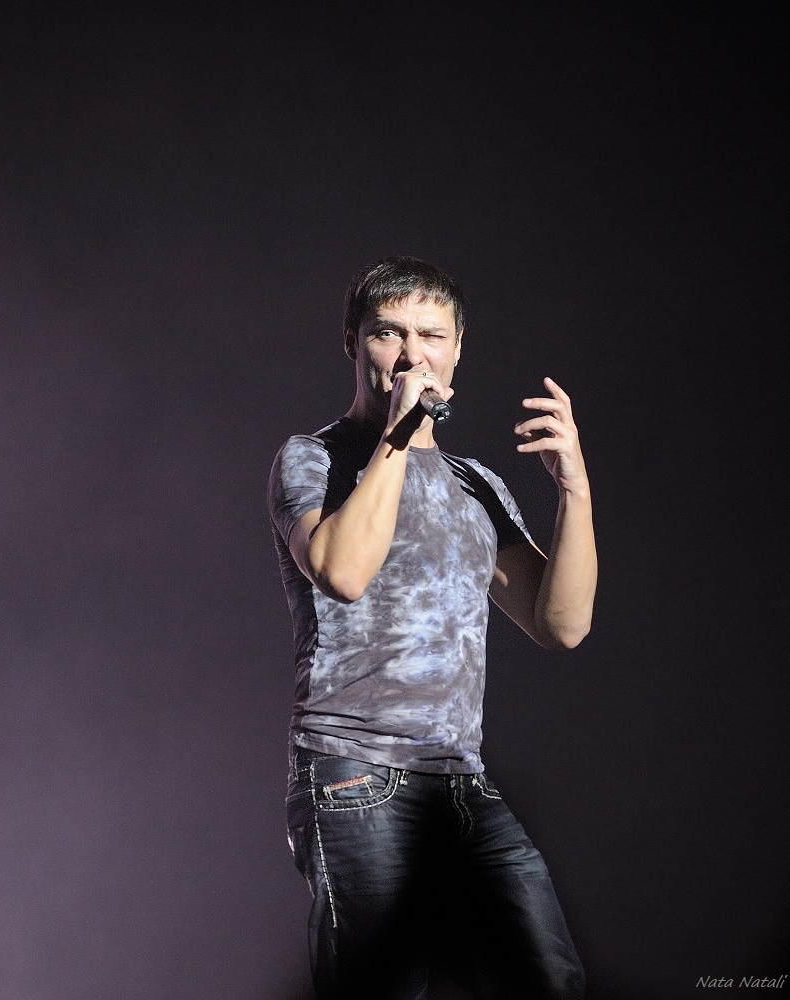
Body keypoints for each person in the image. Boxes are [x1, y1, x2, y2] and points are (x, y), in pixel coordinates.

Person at [268, 257, 597, 999]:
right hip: (355, 773)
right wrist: (397, 433)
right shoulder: (314, 457)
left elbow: (562, 624)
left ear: (456, 351)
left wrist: (573, 488)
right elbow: (342, 572)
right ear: (353, 342)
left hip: (461, 782)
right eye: (389, 333)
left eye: (431, 335)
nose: (412, 355)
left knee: (552, 980)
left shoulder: (476, 484)